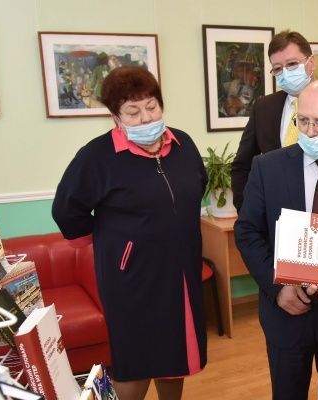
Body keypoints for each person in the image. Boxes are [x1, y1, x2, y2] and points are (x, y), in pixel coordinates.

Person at [52, 66, 207, 400]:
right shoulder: (97, 156)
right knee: (135, 359)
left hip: (180, 270)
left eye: (152, 107)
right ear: (115, 117)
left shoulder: (184, 144)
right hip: (131, 278)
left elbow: (198, 185)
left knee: (175, 353)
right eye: (133, 112)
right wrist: (113, 242)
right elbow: (66, 210)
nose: (146, 118)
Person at [234, 79, 318, 400]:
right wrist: (277, 287)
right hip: (287, 310)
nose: (310, 131)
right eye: (303, 120)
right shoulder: (267, 166)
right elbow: (247, 232)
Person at [231, 30, 318, 212]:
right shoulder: (263, 108)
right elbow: (242, 165)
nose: (285, 73)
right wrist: (247, 211)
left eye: (292, 64)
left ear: (311, 62)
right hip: (275, 217)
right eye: (278, 68)